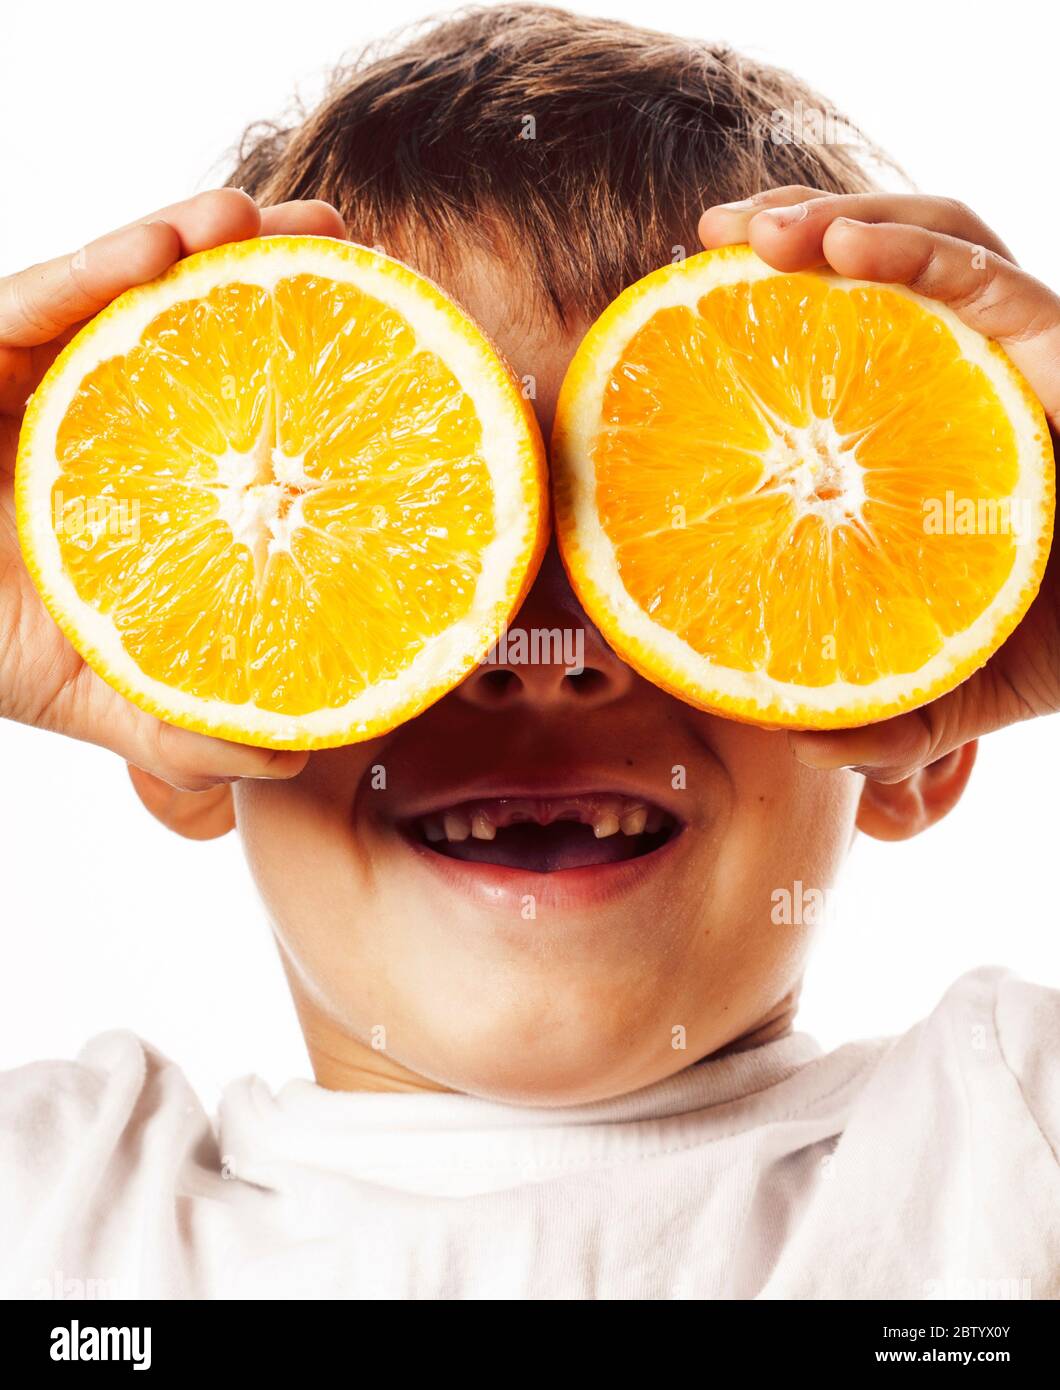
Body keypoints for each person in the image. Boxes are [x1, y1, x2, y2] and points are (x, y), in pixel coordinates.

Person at [1, 5, 1058, 1299]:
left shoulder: (1014, 1144)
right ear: (179, 705)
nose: (543, 647)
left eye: (672, 536)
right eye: (415, 539)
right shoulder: (58, 1210)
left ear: (927, 726)